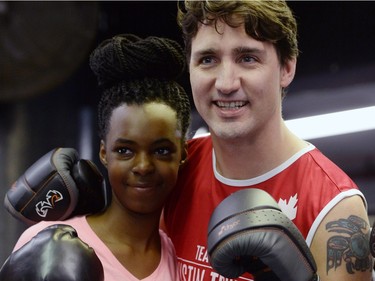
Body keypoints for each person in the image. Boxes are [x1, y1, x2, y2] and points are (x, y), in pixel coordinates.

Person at [162, 1, 373, 281]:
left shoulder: (334, 207)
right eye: (208, 59)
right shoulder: (174, 170)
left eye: (247, 58)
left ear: (286, 67)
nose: (226, 83)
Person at [7, 33, 191, 281]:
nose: (143, 166)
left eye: (161, 150)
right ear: (104, 153)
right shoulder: (49, 243)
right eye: (125, 150)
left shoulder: (181, 259)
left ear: (182, 154)